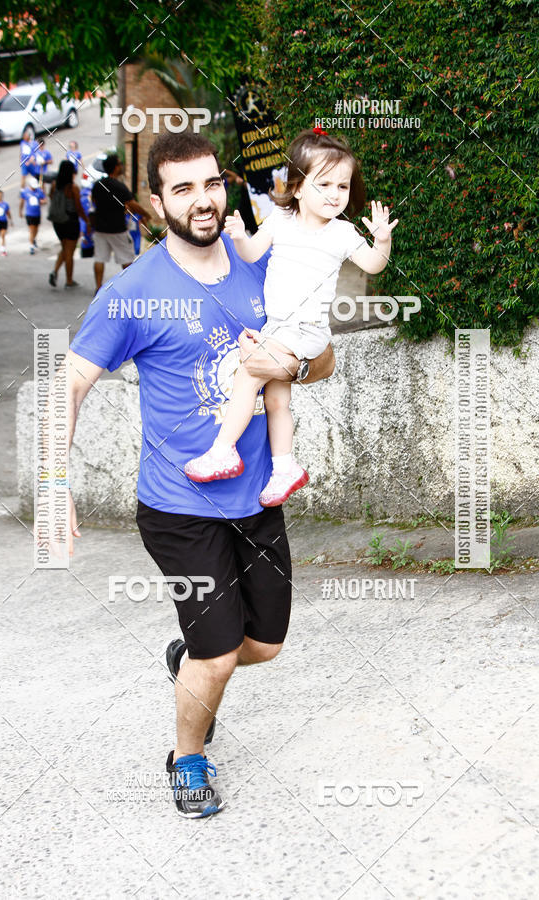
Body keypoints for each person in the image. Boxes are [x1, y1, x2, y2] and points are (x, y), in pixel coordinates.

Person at [61, 131, 334, 818]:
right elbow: (63, 386)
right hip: (180, 505)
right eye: (182, 188)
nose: (203, 199)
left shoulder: (261, 265)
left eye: (211, 183)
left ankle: (189, 660)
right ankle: (188, 758)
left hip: (257, 493)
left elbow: (322, 353)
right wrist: (48, 485)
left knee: (264, 646)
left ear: (226, 186)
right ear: (157, 203)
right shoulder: (135, 292)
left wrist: (294, 367)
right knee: (216, 654)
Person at [185, 129, 399, 505]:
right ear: (297, 187)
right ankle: (284, 466)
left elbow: (374, 265)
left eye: (343, 186)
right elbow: (251, 254)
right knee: (276, 400)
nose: (335, 194)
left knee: (248, 372)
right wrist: (237, 236)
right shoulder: (280, 222)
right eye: (324, 184)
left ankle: (223, 450)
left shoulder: (343, 233)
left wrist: (382, 240)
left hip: (307, 330)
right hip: (279, 327)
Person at [90, 154, 151, 291]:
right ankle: (129, 287)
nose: (121, 166)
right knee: (126, 258)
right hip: (117, 228)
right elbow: (132, 203)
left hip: (100, 227)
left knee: (99, 258)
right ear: (116, 167)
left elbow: (94, 202)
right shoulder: (119, 186)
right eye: (119, 164)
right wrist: (146, 214)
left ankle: (98, 287)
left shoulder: (97, 185)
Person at [47, 160, 91, 289]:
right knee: (69, 252)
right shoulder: (73, 188)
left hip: (58, 222)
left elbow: (51, 198)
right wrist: (87, 221)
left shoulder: (54, 185)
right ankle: (69, 280)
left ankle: (54, 271)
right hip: (71, 221)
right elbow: (78, 207)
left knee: (65, 247)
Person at [19, 176, 46, 253]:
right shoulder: (25, 192)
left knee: (36, 229)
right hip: (29, 213)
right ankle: (31, 246)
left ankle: (34, 239)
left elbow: (44, 200)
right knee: (31, 229)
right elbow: (22, 201)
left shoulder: (39, 191)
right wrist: (20, 211)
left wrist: (43, 201)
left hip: (37, 213)